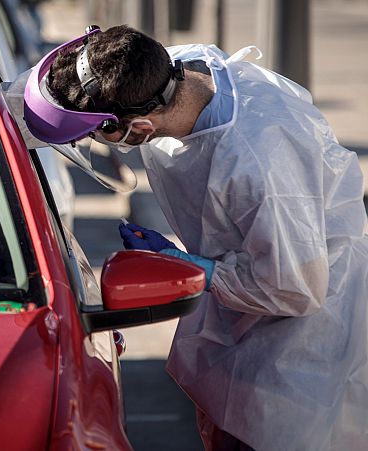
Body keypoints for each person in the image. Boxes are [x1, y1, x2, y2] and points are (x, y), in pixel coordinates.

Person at [21, 24, 368, 451]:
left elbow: (295, 288)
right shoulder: (164, 70)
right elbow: (60, 91)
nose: (93, 141)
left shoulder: (258, 164)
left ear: (142, 127)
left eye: (97, 134)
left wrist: (192, 268)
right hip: (244, 310)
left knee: (262, 433)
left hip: (300, 351)